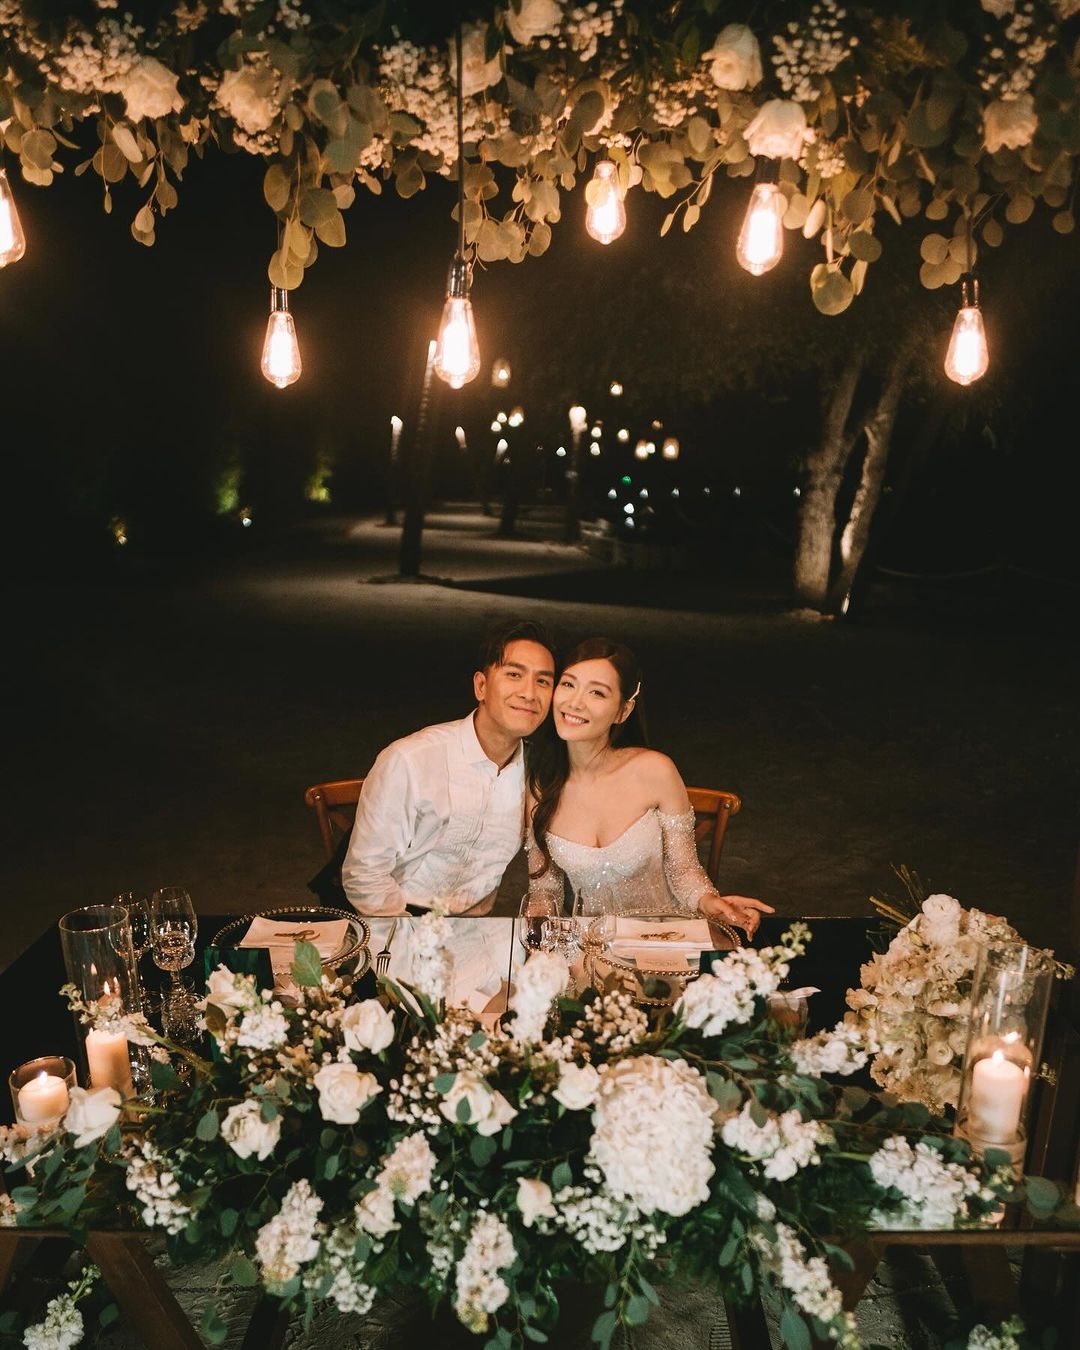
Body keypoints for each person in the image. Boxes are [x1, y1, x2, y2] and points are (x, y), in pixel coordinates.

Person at [526, 637, 773, 937]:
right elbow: (544, 889)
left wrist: (710, 902)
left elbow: (683, 870)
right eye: (568, 684)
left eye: (597, 692)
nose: (575, 702)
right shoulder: (540, 786)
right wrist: (538, 929)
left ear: (623, 711)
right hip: (589, 949)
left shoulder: (656, 771)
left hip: (666, 941)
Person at [341, 618, 557, 916]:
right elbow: (364, 877)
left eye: (543, 681)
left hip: (474, 924)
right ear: (481, 686)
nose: (529, 693)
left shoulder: (535, 772)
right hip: (396, 917)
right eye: (514, 674)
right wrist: (416, 935)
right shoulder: (412, 760)